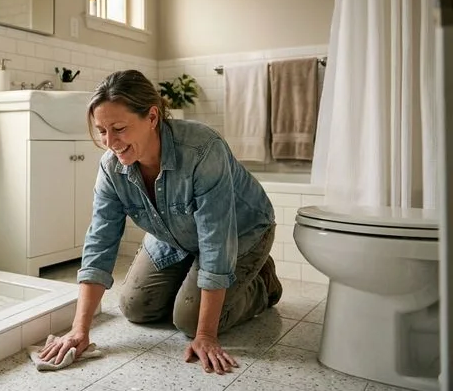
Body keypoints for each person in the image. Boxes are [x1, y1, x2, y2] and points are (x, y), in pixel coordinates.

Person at [38, 69, 282, 375]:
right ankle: (194, 282)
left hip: (241, 231)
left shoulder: (202, 149)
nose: (110, 141)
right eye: (102, 131)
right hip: (174, 235)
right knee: (136, 308)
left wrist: (206, 334)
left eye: (119, 128)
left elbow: (216, 241)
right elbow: (100, 243)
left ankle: (263, 284)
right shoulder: (111, 167)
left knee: (191, 322)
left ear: (152, 117)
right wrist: (79, 330)